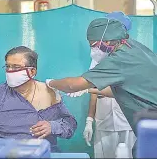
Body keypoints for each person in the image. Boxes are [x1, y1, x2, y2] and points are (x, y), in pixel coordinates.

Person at [45, 12, 157, 157]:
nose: (93, 51)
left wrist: (51, 83)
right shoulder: (132, 47)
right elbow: (125, 89)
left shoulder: (119, 59)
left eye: (94, 45)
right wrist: (90, 90)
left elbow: (74, 85)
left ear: (108, 41)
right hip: (146, 124)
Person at [0, 46, 77, 152]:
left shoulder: (49, 92)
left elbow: (71, 124)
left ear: (32, 71)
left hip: (46, 154)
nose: (10, 71)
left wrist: (52, 126)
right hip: (10, 154)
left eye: (16, 67)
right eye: (7, 66)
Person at [83, 12, 136, 158]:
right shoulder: (99, 55)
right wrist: (89, 119)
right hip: (104, 119)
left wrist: (88, 89)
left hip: (127, 119)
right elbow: (94, 88)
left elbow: (131, 89)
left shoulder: (132, 56)